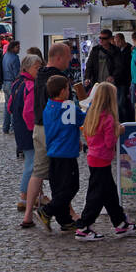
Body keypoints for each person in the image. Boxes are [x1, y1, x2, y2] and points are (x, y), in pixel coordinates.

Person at [74, 81, 136, 239]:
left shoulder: (92, 114)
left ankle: (120, 223)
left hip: (94, 157)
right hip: (102, 158)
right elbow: (109, 142)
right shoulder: (108, 118)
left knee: (110, 194)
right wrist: (118, 131)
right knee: (97, 196)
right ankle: (84, 226)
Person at [20, 40, 71, 227]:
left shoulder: (39, 74)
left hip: (38, 127)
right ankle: (67, 213)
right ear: (58, 58)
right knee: (62, 173)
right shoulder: (59, 79)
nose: (70, 59)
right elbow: (67, 110)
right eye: (67, 56)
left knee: (38, 172)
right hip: (55, 129)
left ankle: (27, 215)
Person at [36, 74, 88, 231]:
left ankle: (64, 220)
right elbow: (83, 118)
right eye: (68, 88)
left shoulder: (50, 105)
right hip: (67, 154)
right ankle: (47, 211)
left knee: (59, 188)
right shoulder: (68, 107)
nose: (69, 91)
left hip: (54, 152)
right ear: (62, 91)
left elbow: (63, 127)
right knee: (71, 187)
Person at [8, 53, 41, 210]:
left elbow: (9, 107)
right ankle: (23, 197)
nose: (39, 70)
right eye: (37, 67)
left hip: (19, 127)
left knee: (32, 162)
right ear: (28, 68)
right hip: (28, 129)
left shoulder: (17, 83)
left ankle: (35, 195)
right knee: (32, 164)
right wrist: (33, 129)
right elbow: (29, 112)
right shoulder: (30, 86)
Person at [1, 40, 21, 132]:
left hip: (5, 83)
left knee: (7, 106)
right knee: (14, 106)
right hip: (12, 83)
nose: (19, 49)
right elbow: (16, 73)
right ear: (13, 47)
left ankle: (5, 127)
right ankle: (13, 127)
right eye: (17, 47)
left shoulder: (5, 55)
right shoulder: (15, 57)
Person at [113, 32, 133, 122]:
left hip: (125, 80)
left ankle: (126, 121)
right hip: (118, 80)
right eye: (115, 42)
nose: (116, 44)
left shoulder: (130, 49)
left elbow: (125, 66)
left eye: (117, 42)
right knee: (118, 103)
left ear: (122, 40)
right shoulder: (117, 50)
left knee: (122, 103)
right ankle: (121, 121)